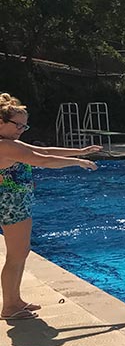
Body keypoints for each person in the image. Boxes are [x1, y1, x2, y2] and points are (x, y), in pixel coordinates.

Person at [1, 93, 99, 320]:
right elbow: (43, 161)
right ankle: (9, 307)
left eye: (25, 126)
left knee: (21, 252)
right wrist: (77, 161)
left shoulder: (10, 143)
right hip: (11, 205)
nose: (21, 130)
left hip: (17, 203)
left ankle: (15, 300)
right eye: (17, 125)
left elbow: (45, 151)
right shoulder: (4, 146)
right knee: (16, 255)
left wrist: (80, 151)